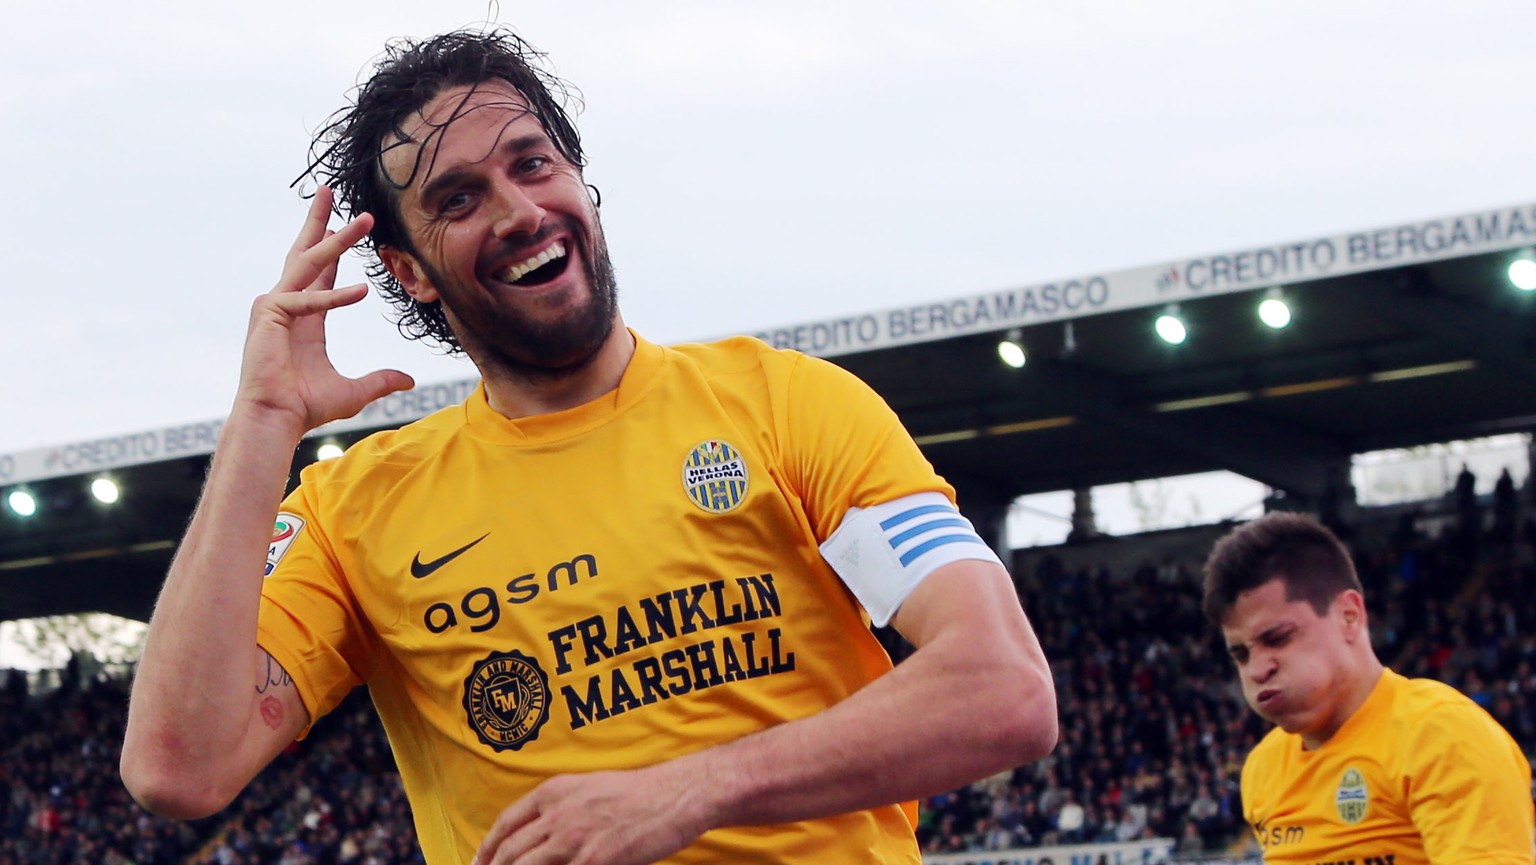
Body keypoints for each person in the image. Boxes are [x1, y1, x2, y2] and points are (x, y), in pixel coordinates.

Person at [119, 27, 1058, 865]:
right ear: (410, 273)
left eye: (533, 163)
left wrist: (689, 790)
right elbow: (177, 768)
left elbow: (1002, 687)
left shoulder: (786, 407)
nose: (519, 210)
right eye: (459, 198)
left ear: (580, 181)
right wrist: (261, 424)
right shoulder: (352, 509)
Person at [1202, 511, 1534, 865]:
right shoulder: (1263, 769)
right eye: (1240, 654)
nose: (1256, 669)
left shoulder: (1441, 737)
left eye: (1278, 638)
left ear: (1348, 615)